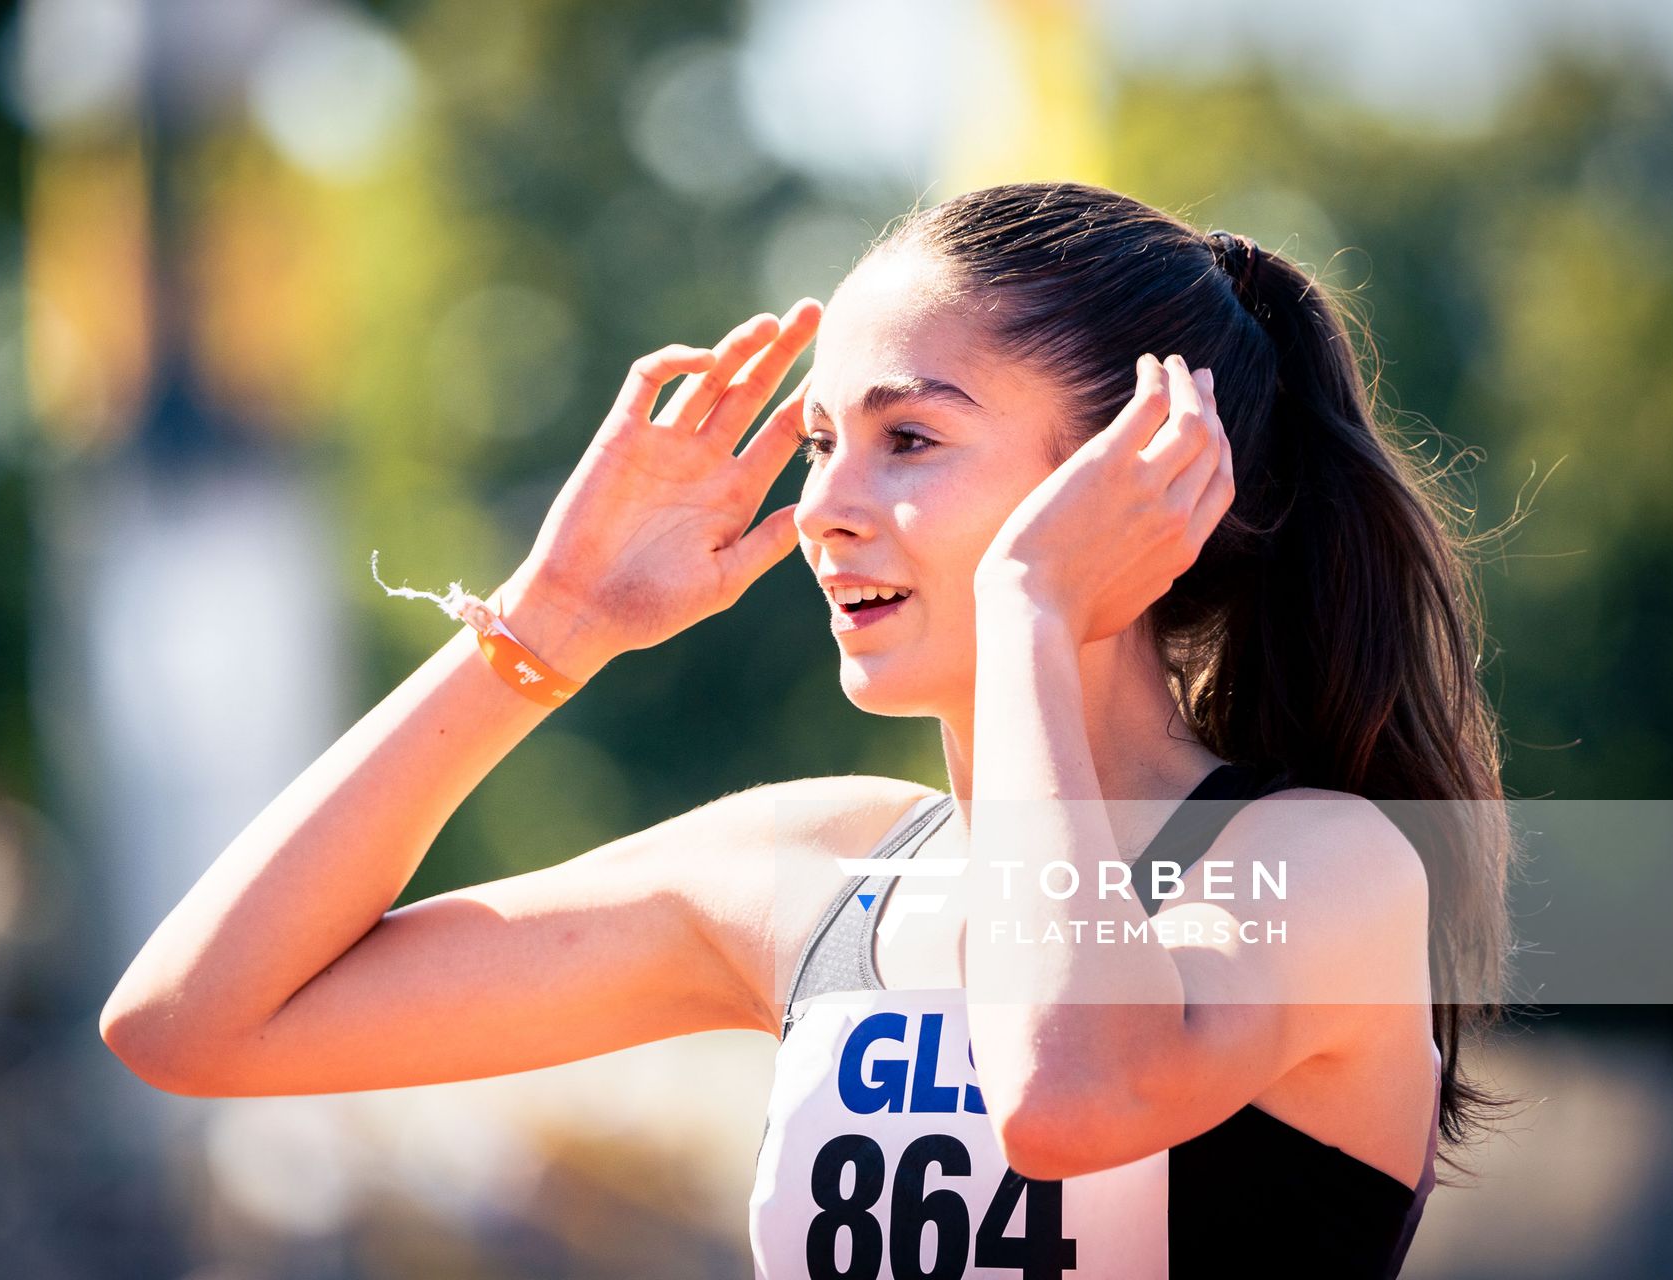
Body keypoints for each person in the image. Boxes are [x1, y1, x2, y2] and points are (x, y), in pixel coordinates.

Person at [100, 181, 1513, 1277]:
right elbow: (194, 1024)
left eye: (910, 439)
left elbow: (1066, 1097)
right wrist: (551, 621)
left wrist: (1032, 605)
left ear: (1137, 476)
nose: (829, 505)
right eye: (822, 441)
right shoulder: (810, 869)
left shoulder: (1320, 870)